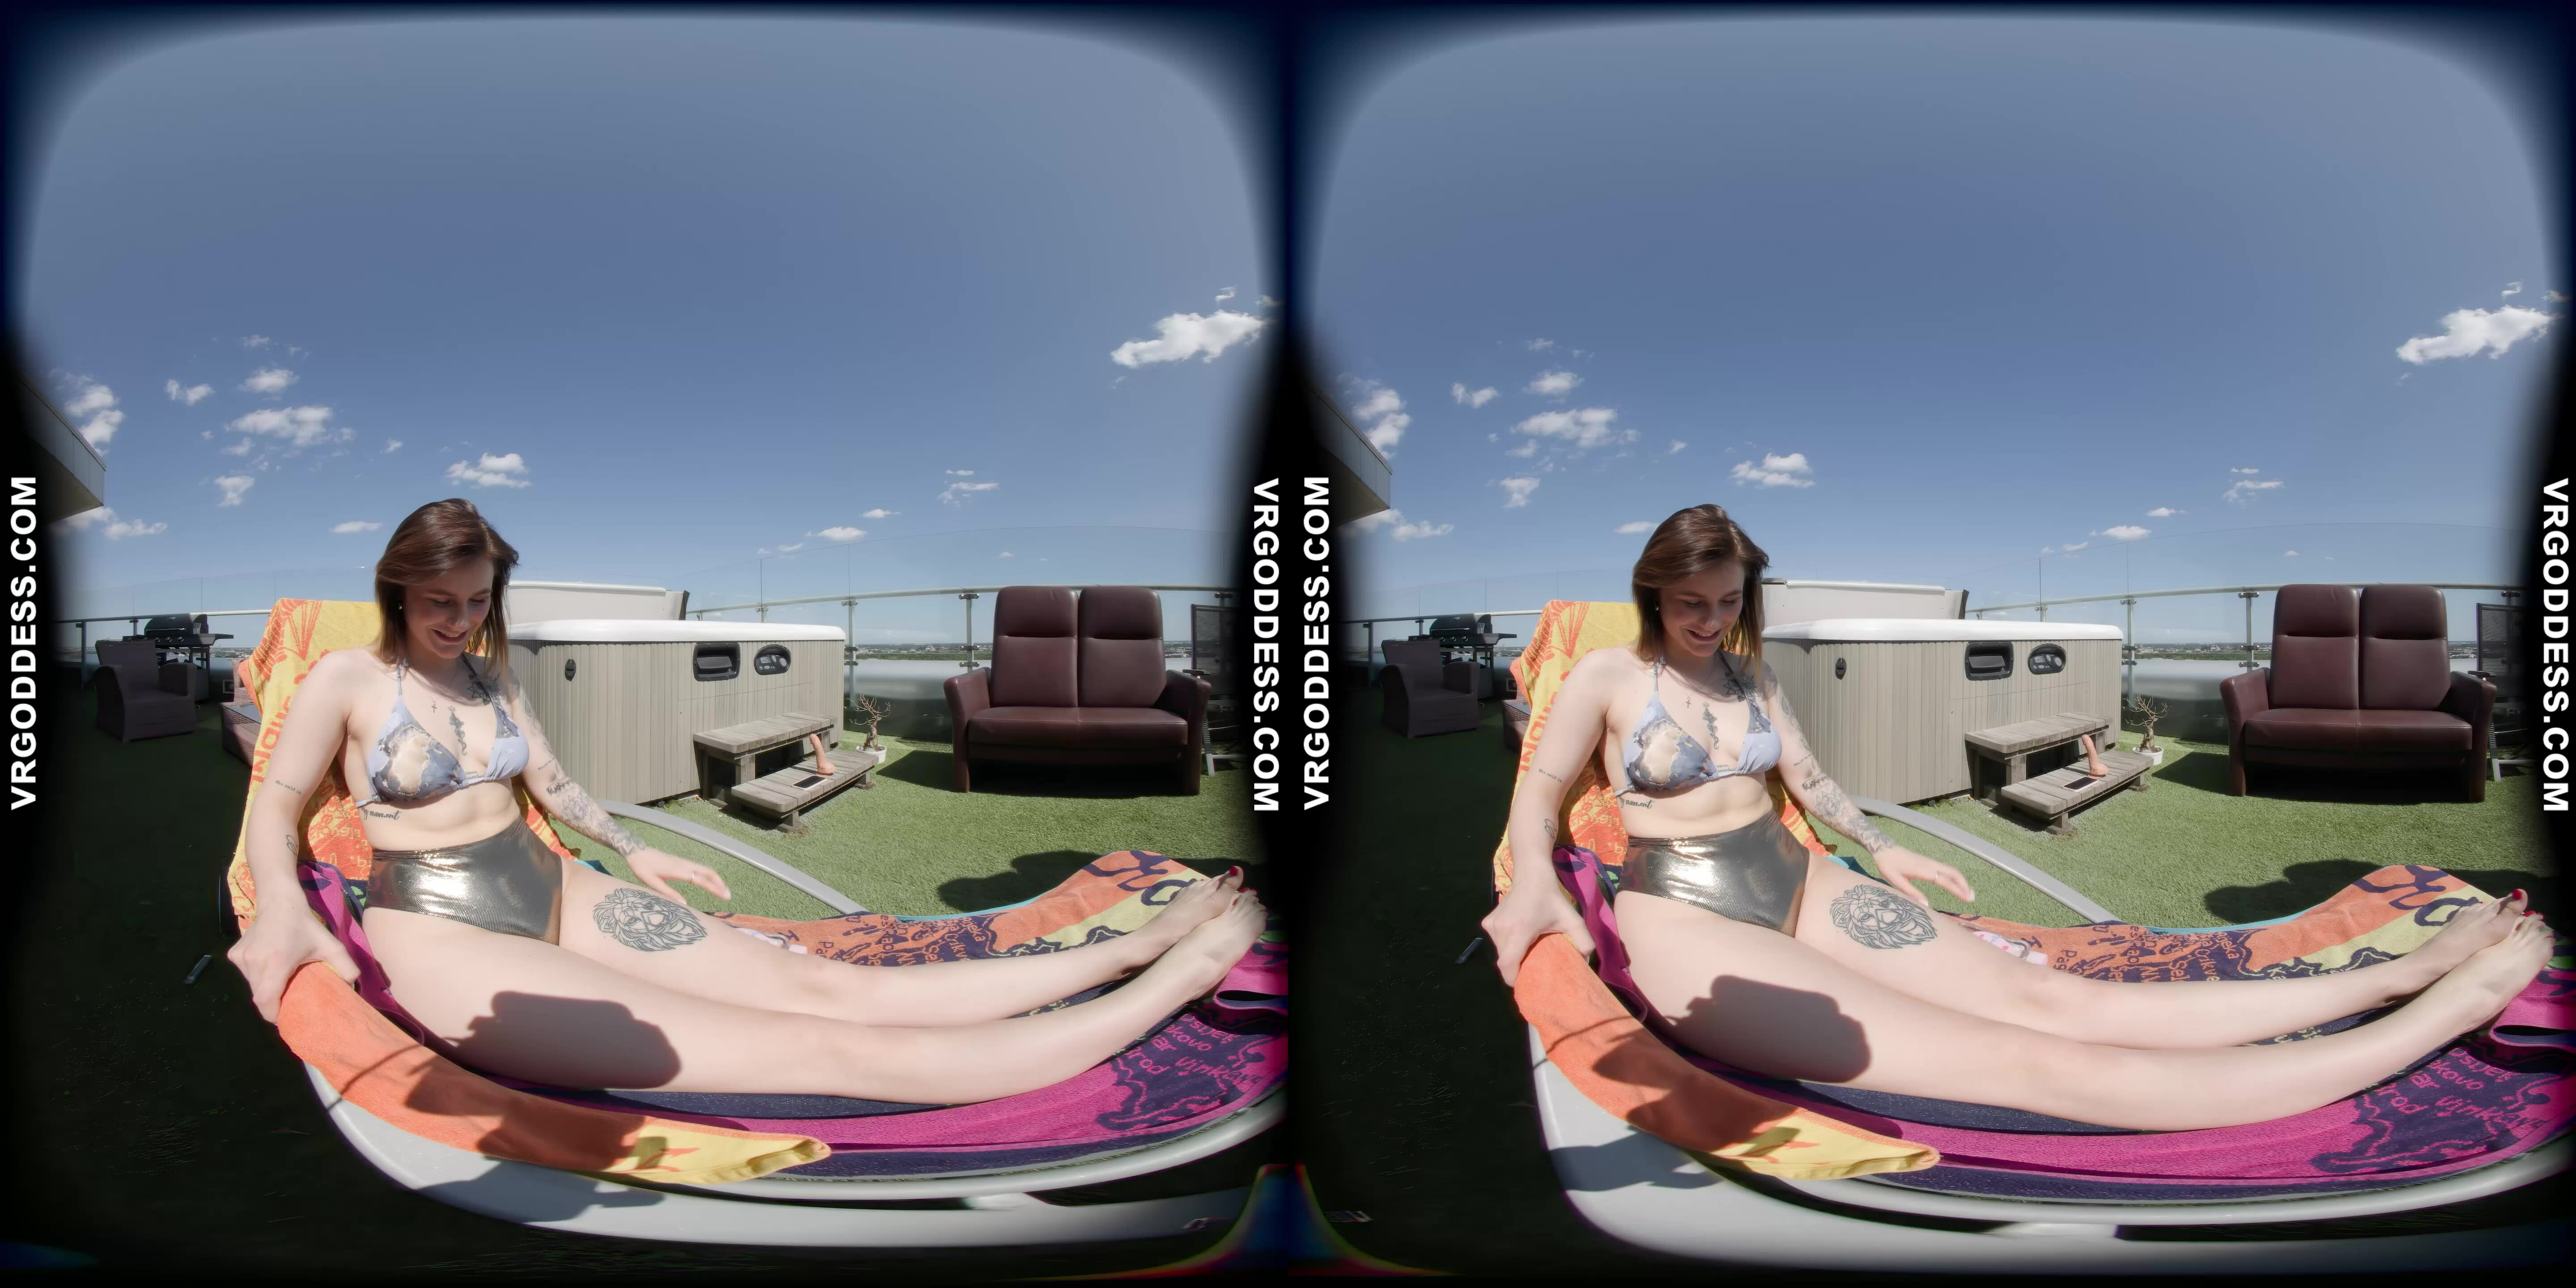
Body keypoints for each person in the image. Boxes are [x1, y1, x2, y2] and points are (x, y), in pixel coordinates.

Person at [1480, 504, 2550, 1132]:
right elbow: (1539, 786)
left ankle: (2393, 978)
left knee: (2054, 999)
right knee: (2024, 1060)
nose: (1711, 621)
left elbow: (1808, 781)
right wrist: (1532, 878)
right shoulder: (1609, 676)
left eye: (1728, 601)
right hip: (1687, 914)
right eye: (1691, 603)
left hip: (1797, 879)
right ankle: (2430, 1020)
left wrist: (1885, 847)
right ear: (1654, 593)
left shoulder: (1752, 674)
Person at [228, 499, 1262, 1105]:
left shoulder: (492, 676)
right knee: (816, 1048)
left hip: (550, 881)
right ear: (398, 590)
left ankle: (1128, 951)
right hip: (439, 925)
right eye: (439, 603)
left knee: (820, 987)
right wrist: (279, 907)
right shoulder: (347, 680)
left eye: (477, 601)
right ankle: (1165, 987)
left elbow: (553, 783)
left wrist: (635, 851)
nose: (459, 621)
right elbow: (274, 806)